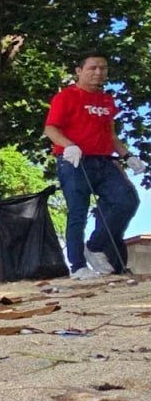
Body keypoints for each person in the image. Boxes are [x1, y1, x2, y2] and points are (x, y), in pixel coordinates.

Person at [44, 52, 144, 278]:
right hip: (74, 161)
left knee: (126, 200)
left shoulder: (107, 100)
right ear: (79, 71)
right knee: (77, 212)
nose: (98, 72)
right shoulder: (66, 97)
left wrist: (128, 156)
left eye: (103, 68)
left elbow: (111, 135)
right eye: (92, 68)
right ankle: (78, 266)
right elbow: (51, 128)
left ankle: (95, 245)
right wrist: (69, 146)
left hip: (104, 161)